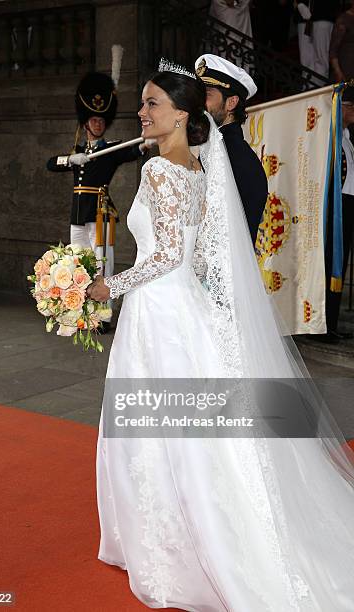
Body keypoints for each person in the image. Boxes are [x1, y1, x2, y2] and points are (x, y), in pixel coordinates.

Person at [88, 62, 354, 611]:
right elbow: (205, 261)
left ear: (182, 114)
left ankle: (170, 542)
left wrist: (106, 287)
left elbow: (163, 257)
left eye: (151, 103)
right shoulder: (202, 171)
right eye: (143, 103)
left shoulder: (163, 170)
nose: (141, 112)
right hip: (184, 307)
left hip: (158, 311)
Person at [47, 72, 148, 328]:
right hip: (78, 214)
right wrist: (71, 159)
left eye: (101, 120)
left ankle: (102, 316)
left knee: (102, 265)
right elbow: (51, 163)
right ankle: (79, 310)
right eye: (93, 119)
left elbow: (133, 150)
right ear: (85, 124)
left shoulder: (110, 149)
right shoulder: (78, 151)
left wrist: (147, 143)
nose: (98, 123)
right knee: (77, 262)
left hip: (99, 212)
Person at [194, 53, 267, 244]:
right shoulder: (214, 148)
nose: (198, 104)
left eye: (207, 95)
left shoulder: (230, 155)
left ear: (231, 103)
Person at [322, 85, 354, 344]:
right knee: (331, 263)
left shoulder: (347, 137)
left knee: (340, 266)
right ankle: (324, 324)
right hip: (336, 206)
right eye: (350, 106)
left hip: (349, 206)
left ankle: (331, 323)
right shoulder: (329, 137)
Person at [330, 0, 354, 82]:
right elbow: (333, 50)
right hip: (345, 74)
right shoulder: (343, 19)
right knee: (339, 94)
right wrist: (338, 72)